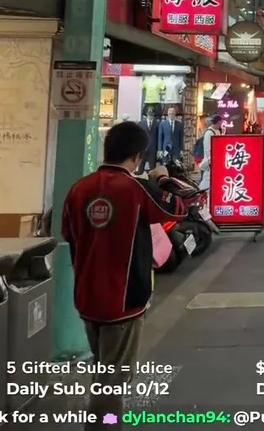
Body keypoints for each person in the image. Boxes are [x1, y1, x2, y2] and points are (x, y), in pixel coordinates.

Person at [62, 121, 187, 425]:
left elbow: (68, 233)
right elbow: (177, 208)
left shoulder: (78, 189)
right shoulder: (136, 188)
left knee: (103, 367)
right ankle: (104, 425)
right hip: (124, 298)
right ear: (137, 156)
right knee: (113, 379)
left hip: (87, 295)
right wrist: (163, 179)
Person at [196, 114, 220, 191]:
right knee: (206, 178)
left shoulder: (217, 131)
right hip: (209, 160)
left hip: (215, 158)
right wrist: (210, 159)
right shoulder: (209, 133)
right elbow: (207, 148)